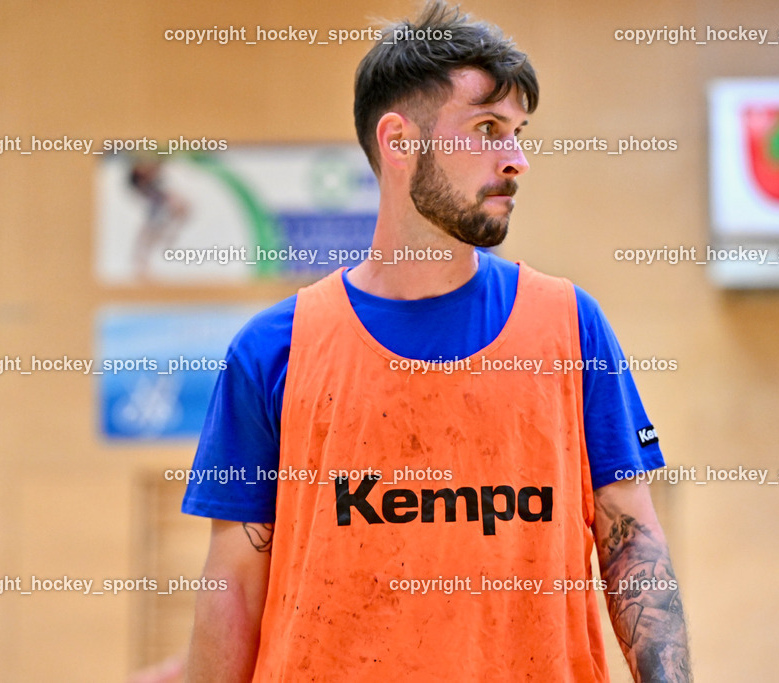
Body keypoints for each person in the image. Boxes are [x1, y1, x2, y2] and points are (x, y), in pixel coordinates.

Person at [181, 2, 691, 680]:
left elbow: (634, 543)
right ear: (399, 142)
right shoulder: (274, 349)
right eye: (487, 129)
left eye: (519, 132)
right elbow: (235, 585)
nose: (517, 160)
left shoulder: (572, 324)